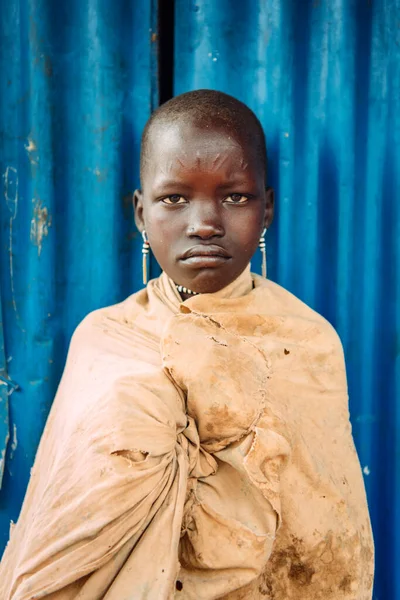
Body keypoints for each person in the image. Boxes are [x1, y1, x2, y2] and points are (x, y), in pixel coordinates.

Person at [0, 90, 374, 599]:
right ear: (140, 212)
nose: (204, 223)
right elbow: (63, 525)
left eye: (235, 197)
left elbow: (331, 532)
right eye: (175, 198)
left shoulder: (306, 341)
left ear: (267, 209)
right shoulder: (105, 338)